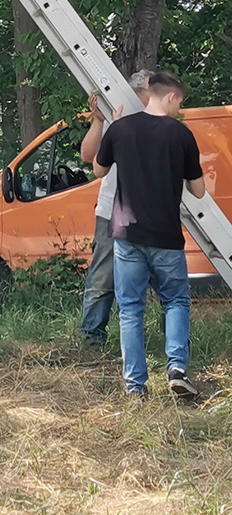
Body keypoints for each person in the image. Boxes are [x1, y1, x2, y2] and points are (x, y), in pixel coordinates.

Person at [94, 71, 204, 399]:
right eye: (179, 103)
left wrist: (113, 127)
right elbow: (197, 192)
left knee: (130, 308)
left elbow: (99, 170)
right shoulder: (181, 135)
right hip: (166, 236)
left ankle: (135, 387)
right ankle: (176, 369)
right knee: (176, 301)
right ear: (170, 96)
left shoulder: (122, 129)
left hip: (127, 234)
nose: (178, 109)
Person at [79, 69, 153, 347]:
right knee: (103, 277)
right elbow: (89, 156)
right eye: (149, 92)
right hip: (111, 211)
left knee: (161, 277)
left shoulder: (157, 121)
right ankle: (91, 338)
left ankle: (163, 341)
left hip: (149, 212)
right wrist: (99, 121)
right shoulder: (115, 117)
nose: (153, 98)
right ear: (136, 93)